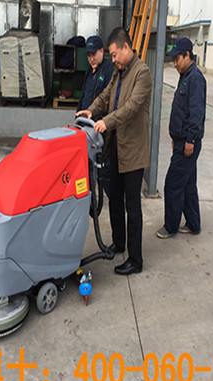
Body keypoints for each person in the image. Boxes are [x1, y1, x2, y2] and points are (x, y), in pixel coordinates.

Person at [76, 27, 152, 275]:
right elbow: (106, 95)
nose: (114, 59)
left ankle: (136, 259)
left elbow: (131, 107)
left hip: (133, 150)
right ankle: (119, 243)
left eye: (115, 54)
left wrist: (106, 121)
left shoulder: (142, 73)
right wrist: (91, 110)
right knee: (115, 199)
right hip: (116, 146)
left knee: (132, 206)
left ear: (125, 47)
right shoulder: (119, 72)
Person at [156, 38, 206, 239]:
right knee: (187, 184)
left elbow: (196, 113)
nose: (175, 63)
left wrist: (190, 140)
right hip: (181, 140)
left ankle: (171, 226)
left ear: (187, 55)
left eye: (177, 59)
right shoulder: (185, 76)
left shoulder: (195, 78)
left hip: (188, 143)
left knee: (173, 184)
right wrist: (176, 136)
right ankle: (193, 224)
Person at [77, 35, 113, 197]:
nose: (91, 58)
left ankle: (111, 198)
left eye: (94, 54)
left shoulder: (108, 71)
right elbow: (84, 96)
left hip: (99, 129)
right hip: (86, 128)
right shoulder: (89, 72)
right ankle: (90, 198)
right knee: (86, 166)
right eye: (89, 55)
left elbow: (108, 100)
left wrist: (103, 123)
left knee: (104, 169)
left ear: (102, 51)